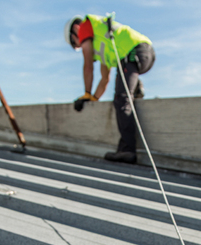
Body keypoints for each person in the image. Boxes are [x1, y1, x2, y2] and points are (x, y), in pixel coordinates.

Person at [64, 14, 155, 164]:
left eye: (75, 42)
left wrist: (86, 93)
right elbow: (104, 78)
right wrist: (93, 99)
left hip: (134, 52)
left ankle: (127, 150)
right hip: (144, 53)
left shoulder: (86, 26)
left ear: (75, 29)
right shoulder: (103, 43)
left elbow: (88, 66)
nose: (79, 47)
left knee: (121, 99)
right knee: (123, 92)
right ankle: (136, 87)